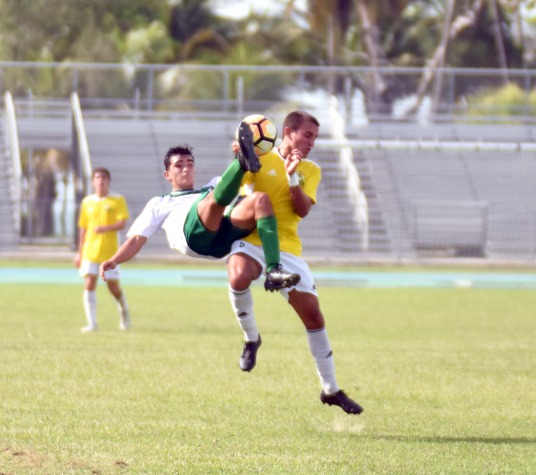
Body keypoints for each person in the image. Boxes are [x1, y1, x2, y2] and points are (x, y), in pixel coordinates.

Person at [226, 110, 364, 415]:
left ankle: (330, 390)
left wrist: (291, 176)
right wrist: (240, 155)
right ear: (288, 131)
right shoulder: (260, 156)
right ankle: (251, 340)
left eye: (315, 136)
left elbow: (302, 211)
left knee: (313, 317)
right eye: (308, 135)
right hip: (253, 240)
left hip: (287, 248)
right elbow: (240, 182)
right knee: (237, 276)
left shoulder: (311, 169)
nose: (312, 142)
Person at [99, 123, 300, 294]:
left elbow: (239, 185)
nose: (186, 168)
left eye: (190, 163)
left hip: (222, 241)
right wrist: (114, 261)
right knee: (212, 198)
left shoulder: (212, 185)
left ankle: (274, 271)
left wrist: (270, 153)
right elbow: (136, 239)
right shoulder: (160, 202)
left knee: (260, 200)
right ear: (167, 174)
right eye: (179, 165)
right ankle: (241, 162)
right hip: (193, 239)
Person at [74, 167, 131, 332]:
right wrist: (79, 253)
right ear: (93, 181)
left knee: (113, 287)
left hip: (110, 252)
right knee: (89, 282)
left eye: (103, 177)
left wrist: (105, 228)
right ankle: (92, 323)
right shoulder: (87, 202)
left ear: (108, 180)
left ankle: (124, 309)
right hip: (90, 251)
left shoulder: (117, 199)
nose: (100, 180)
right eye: (97, 177)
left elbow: (122, 223)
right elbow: (83, 228)